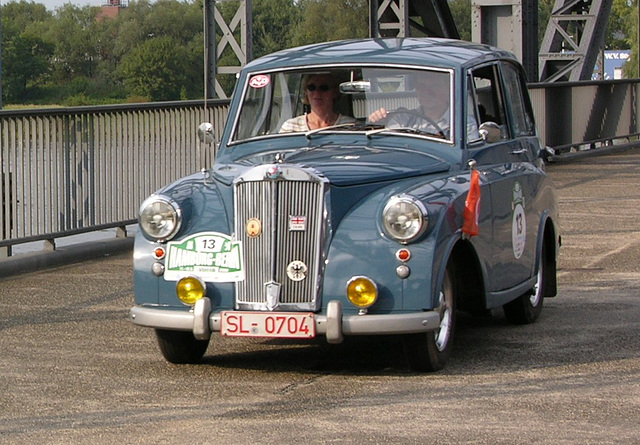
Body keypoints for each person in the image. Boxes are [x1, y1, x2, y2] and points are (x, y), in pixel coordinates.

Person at [369, 71, 478, 139]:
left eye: (434, 86)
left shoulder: (464, 125)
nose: (427, 91)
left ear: (449, 89)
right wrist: (377, 122)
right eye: (422, 85)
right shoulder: (403, 119)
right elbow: (392, 146)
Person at [280, 73, 356, 133]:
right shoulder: (290, 127)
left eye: (324, 88)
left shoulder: (350, 126)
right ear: (306, 92)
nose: (317, 93)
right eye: (311, 87)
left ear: (334, 92)